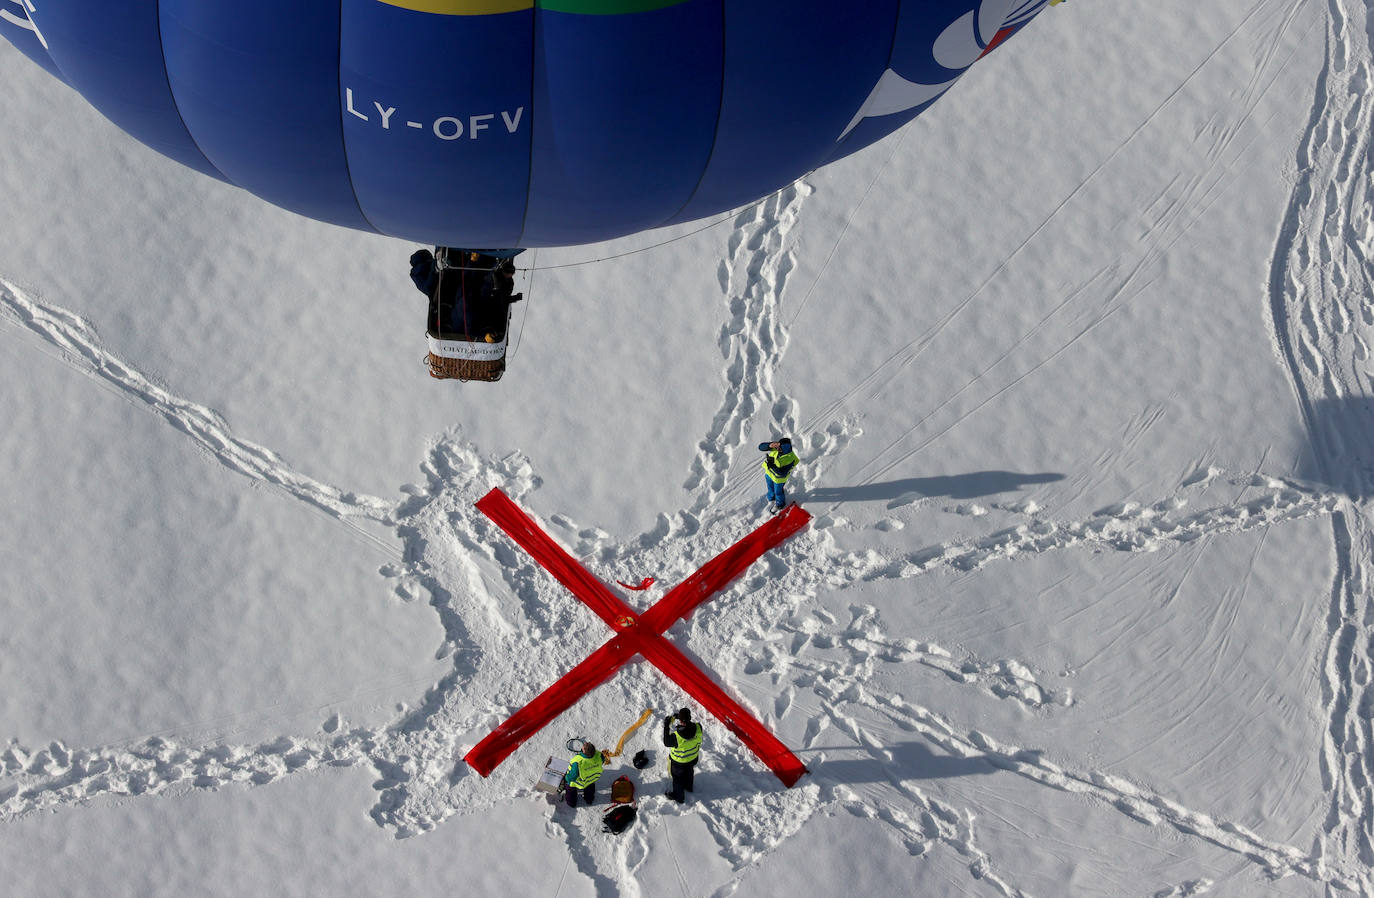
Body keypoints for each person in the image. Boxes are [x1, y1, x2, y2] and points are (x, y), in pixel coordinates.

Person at [662, 708, 702, 804]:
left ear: (680, 720)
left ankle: (679, 796)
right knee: (689, 773)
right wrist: (681, 718)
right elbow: (689, 726)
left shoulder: (677, 736)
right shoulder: (698, 727)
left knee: (678, 779)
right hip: (692, 759)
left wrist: (666, 726)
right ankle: (688, 787)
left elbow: (666, 742)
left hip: (679, 762)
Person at [563, 741, 609, 808]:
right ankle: (589, 800)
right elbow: (602, 761)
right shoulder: (599, 755)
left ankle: (571, 803)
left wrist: (567, 778)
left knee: (570, 789)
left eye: (584, 746)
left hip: (580, 782)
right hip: (592, 779)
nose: (585, 743)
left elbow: (573, 776)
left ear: (584, 751)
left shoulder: (578, 761)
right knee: (590, 788)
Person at [758, 438, 799, 511]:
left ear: (785, 448)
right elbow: (760, 447)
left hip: (779, 479)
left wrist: (773, 466)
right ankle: (771, 497)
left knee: (778, 492)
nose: (777, 448)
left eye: (780, 447)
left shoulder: (790, 458)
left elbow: (782, 473)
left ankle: (780, 504)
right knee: (770, 488)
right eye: (778, 446)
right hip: (769, 474)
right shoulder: (776, 449)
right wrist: (769, 445)